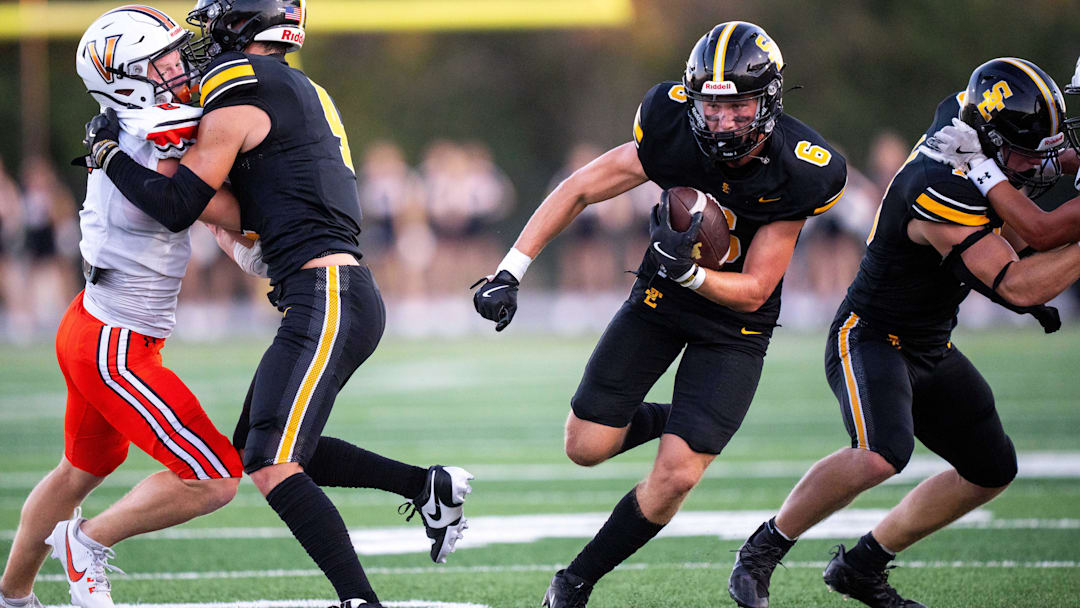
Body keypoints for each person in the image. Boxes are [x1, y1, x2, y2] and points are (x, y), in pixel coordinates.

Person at [82, 2, 472, 606]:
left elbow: (178, 202)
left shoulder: (239, 83)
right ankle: (428, 486)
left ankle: (359, 601)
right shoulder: (296, 86)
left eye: (215, 22)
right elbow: (244, 206)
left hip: (328, 295)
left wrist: (110, 158)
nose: (198, 42)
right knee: (262, 447)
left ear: (241, 24)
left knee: (270, 464)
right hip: (329, 291)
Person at [472, 22, 847, 607]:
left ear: (769, 100)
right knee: (586, 446)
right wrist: (509, 271)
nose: (722, 122)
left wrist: (691, 272)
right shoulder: (670, 125)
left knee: (676, 475)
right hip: (661, 300)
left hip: (734, 326)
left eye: (738, 106)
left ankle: (575, 581)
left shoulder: (801, 166)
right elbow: (579, 188)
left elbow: (755, 289)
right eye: (711, 106)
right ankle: (683, 420)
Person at [727, 58, 1080, 608]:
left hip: (929, 343)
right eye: (1026, 152)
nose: (1038, 164)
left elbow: (1025, 204)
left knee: (991, 469)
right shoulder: (940, 183)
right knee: (880, 453)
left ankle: (862, 567)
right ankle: (762, 549)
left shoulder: (962, 127)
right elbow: (1019, 281)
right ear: (986, 141)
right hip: (870, 336)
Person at [0, 7, 247, 607]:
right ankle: (85, 545)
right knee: (215, 476)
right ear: (122, 76)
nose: (176, 66)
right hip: (116, 341)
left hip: (91, 321)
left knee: (77, 472)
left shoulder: (127, 122)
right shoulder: (152, 130)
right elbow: (201, 205)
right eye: (157, 59)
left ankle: (11, 596)